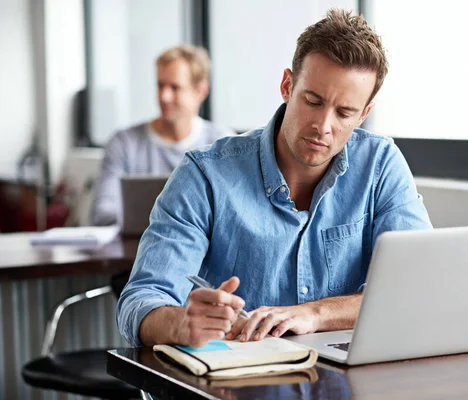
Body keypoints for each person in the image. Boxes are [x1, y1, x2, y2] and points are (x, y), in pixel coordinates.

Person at [117, 9, 432, 348]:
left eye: (344, 113)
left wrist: (316, 313)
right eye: (313, 101)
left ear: (364, 114)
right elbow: (140, 301)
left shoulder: (380, 164)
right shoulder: (204, 175)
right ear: (287, 86)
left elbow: (416, 287)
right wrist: (180, 324)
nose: (323, 127)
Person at [91, 45, 235, 226]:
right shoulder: (123, 143)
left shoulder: (222, 144)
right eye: (160, 85)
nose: (164, 96)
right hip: (136, 252)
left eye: (175, 88)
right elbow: (103, 212)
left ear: (200, 91)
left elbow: (233, 212)